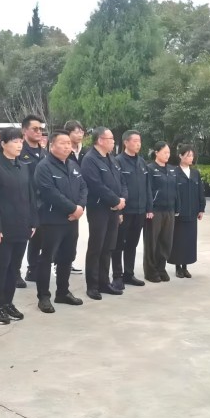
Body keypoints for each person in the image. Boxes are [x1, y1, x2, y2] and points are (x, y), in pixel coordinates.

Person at [0, 128, 38, 325]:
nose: (19, 145)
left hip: (22, 226)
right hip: (3, 229)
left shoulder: (23, 166)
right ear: (3, 144)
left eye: (20, 141)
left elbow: (31, 196)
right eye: (14, 141)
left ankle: (8, 302)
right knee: (1, 267)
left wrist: (33, 222)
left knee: (14, 267)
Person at [33, 130, 88, 312]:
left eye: (68, 143)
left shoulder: (72, 165)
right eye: (62, 143)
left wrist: (80, 208)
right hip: (52, 220)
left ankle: (63, 292)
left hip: (72, 221)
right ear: (52, 145)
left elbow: (83, 187)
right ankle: (43, 296)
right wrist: (73, 208)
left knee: (67, 256)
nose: (67, 146)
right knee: (47, 258)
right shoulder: (44, 167)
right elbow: (49, 193)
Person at [81, 127, 127, 300]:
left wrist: (122, 200)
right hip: (99, 209)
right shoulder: (90, 160)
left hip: (114, 210)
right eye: (110, 139)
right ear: (100, 140)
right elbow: (96, 185)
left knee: (108, 247)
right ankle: (92, 285)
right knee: (96, 247)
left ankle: (104, 282)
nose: (113, 142)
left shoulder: (112, 159)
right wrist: (115, 200)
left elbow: (122, 182)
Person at [111, 130, 151, 289]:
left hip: (140, 211)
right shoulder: (118, 161)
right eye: (135, 141)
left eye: (139, 141)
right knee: (118, 244)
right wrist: (119, 211)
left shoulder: (142, 162)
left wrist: (148, 208)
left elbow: (147, 187)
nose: (138, 144)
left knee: (132, 244)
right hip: (125, 211)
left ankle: (129, 274)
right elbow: (117, 187)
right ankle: (117, 276)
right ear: (126, 142)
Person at [143, 141, 180, 283]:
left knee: (166, 241)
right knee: (152, 242)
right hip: (155, 211)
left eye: (169, 152)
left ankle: (161, 268)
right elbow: (147, 190)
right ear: (156, 152)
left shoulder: (172, 170)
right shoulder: (150, 169)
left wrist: (177, 207)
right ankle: (150, 271)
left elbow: (176, 190)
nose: (167, 155)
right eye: (164, 152)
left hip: (169, 210)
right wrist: (149, 208)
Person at [169, 144, 206, 278]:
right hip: (179, 214)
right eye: (188, 155)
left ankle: (185, 267)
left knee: (189, 241)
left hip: (192, 213)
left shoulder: (195, 173)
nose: (191, 158)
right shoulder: (174, 172)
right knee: (178, 240)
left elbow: (200, 191)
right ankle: (178, 267)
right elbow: (172, 193)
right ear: (180, 156)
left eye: (192, 155)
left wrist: (201, 209)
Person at [20, 115, 46, 286]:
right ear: (24, 131)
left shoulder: (44, 153)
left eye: (41, 129)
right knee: (22, 237)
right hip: (24, 200)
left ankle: (33, 269)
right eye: (35, 129)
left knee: (39, 237)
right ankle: (15, 272)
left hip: (43, 201)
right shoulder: (19, 151)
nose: (39, 132)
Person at [64, 119, 87, 275]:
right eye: (76, 132)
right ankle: (58, 263)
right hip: (67, 196)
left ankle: (68, 262)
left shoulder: (85, 151)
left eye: (81, 131)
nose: (80, 134)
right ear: (68, 133)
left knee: (74, 234)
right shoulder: (64, 151)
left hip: (81, 195)